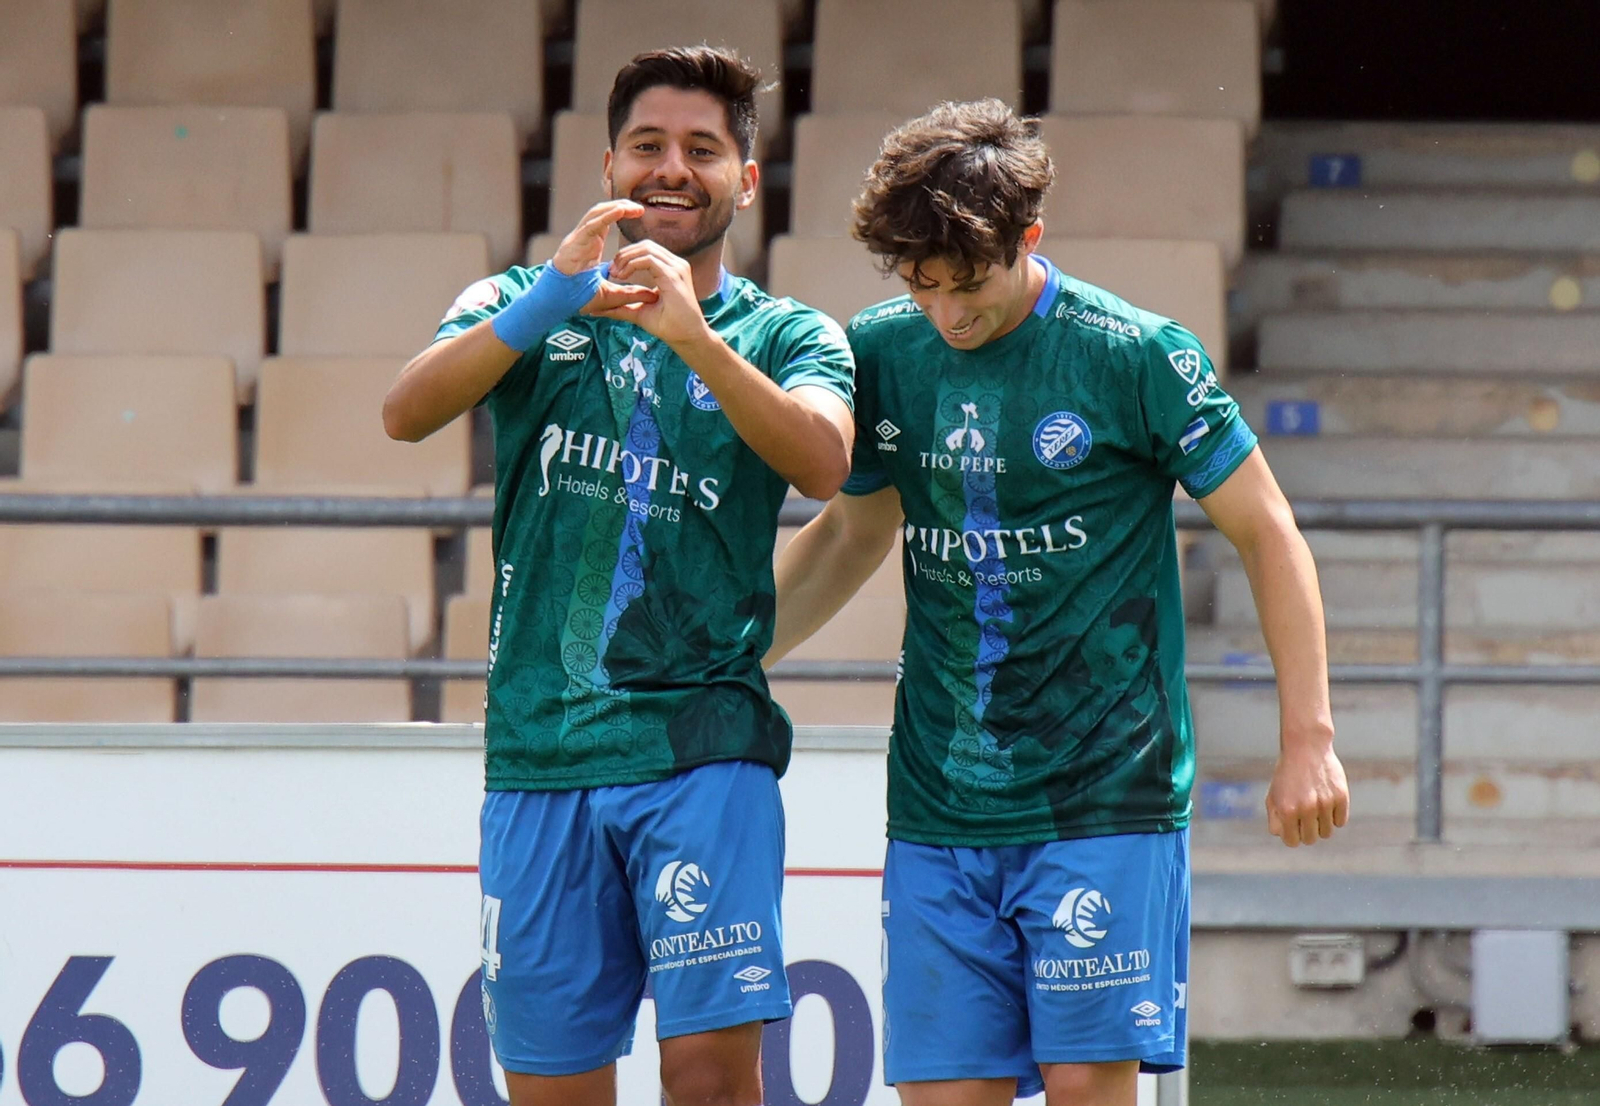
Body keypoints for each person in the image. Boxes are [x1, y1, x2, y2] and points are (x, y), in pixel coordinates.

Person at [768, 99, 1350, 1106]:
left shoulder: (1134, 353)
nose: (948, 313)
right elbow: (854, 531)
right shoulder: (884, 353)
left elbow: (1267, 530)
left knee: (1086, 1085)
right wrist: (724, 657)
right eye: (923, 286)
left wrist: (1308, 737)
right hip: (939, 802)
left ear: (1027, 238)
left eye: (969, 285)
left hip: (1103, 792)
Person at [383, 46, 856, 1106]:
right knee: (551, 1088)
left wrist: (695, 338)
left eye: (703, 149)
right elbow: (405, 411)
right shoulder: (520, 300)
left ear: (745, 178)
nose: (671, 170)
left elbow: (824, 462)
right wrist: (547, 299)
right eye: (648, 146)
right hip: (539, 755)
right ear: (607, 164)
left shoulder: (787, 332)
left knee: (707, 1078)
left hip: (703, 751)